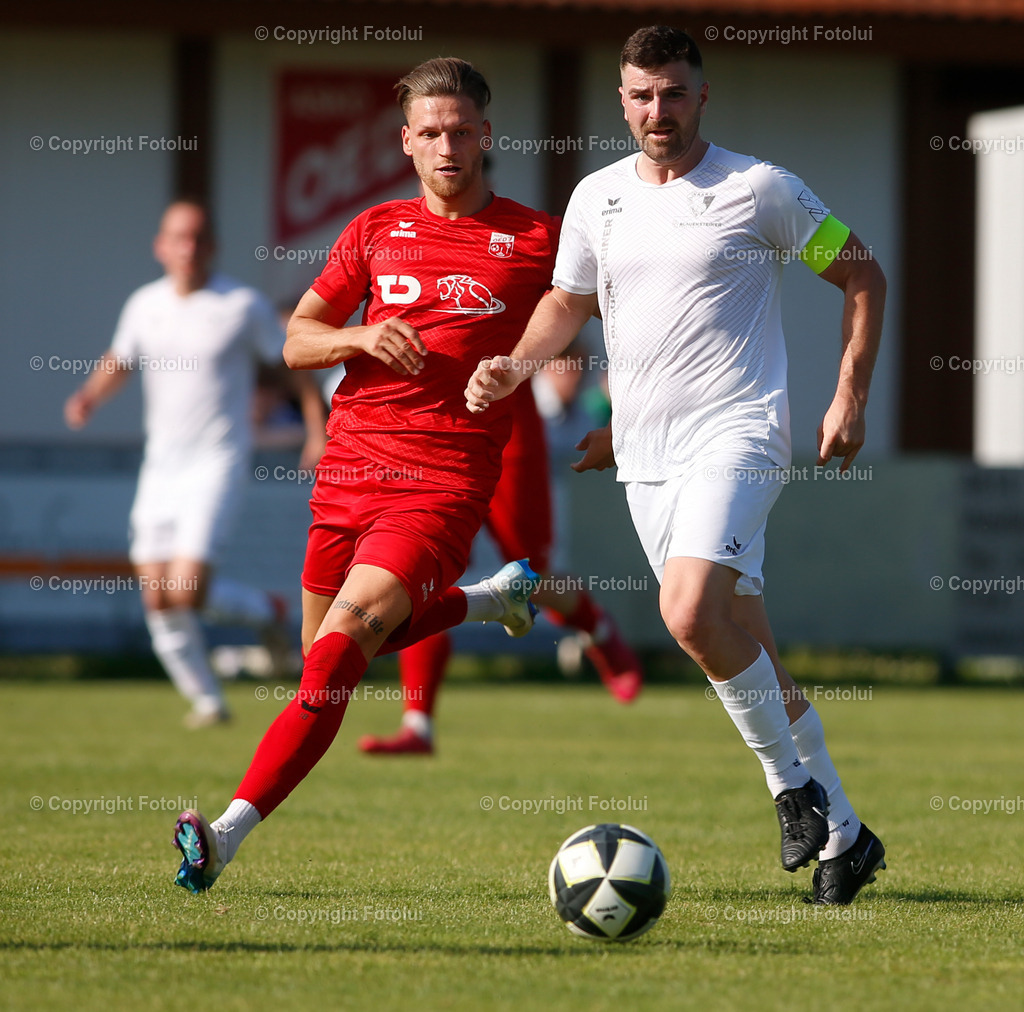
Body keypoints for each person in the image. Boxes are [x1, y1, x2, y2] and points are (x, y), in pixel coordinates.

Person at [466, 26, 888, 906]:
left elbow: (861, 274)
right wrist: (519, 365)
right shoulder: (597, 199)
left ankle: (790, 791)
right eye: (642, 95)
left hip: (741, 434)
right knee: (745, 645)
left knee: (689, 612)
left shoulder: (757, 188)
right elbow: (570, 301)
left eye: (675, 92)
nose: (659, 110)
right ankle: (846, 834)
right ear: (622, 101)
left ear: (703, 96)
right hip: (648, 457)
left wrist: (849, 395)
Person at [170, 57, 558, 892]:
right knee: (323, 668)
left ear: (485, 136)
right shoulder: (375, 229)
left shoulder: (538, 239)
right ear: (406, 143)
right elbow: (296, 339)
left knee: (340, 651)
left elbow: (598, 323)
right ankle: (488, 602)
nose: (447, 146)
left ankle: (224, 835)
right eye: (431, 133)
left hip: (441, 483)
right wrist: (358, 339)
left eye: (462, 131)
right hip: (347, 472)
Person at [64, 200, 327, 727]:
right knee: (157, 598)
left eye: (198, 238)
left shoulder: (240, 304)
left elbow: (292, 364)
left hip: (217, 462)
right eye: (178, 238)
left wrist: (316, 429)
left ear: (212, 246)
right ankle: (208, 701)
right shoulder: (144, 305)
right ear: (160, 246)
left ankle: (269, 611)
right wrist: (90, 395)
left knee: (185, 589)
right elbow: (120, 359)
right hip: (160, 467)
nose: (188, 248)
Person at [359, 355, 644, 756]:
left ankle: (598, 629)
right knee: (422, 573)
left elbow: (566, 305)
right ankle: (418, 724)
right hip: (437, 428)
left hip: (510, 425)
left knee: (531, 575)